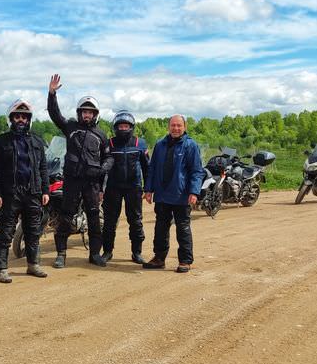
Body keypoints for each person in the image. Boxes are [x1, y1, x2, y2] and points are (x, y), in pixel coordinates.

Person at [47, 73, 113, 268]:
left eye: (90, 112)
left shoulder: (101, 135)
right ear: (79, 113)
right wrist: (52, 94)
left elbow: (109, 157)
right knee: (65, 217)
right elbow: (54, 114)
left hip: (92, 183)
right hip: (72, 180)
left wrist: (103, 169)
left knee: (93, 218)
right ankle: (61, 254)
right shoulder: (70, 127)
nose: (87, 115)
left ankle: (94, 254)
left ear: (95, 114)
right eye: (84, 112)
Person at [0, 99, 50, 283]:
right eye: (17, 116)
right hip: (10, 193)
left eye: (24, 116)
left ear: (29, 119)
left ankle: (33, 264)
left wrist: (45, 190)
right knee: (6, 232)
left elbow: (43, 168)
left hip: (33, 192)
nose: (21, 119)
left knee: (33, 231)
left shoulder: (37, 141)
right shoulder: (1, 141)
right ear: (11, 119)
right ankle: (1, 269)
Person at [143, 114, 203, 273]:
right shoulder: (160, 145)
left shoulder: (190, 146)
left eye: (179, 126)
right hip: (162, 195)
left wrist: (194, 192)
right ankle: (159, 258)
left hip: (181, 195)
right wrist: (148, 189)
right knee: (160, 228)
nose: (176, 128)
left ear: (185, 127)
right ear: (168, 127)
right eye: (173, 125)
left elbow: (196, 171)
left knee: (182, 228)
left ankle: (185, 260)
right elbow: (152, 169)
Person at [101, 110, 150, 264]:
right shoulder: (109, 143)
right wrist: (100, 189)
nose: (123, 128)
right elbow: (103, 168)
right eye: (120, 126)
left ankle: (137, 252)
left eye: (126, 126)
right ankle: (107, 251)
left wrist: (149, 188)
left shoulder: (139, 143)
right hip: (113, 188)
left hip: (134, 188)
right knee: (109, 221)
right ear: (115, 127)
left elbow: (147, 167)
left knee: (135, 221)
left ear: (131, 127)